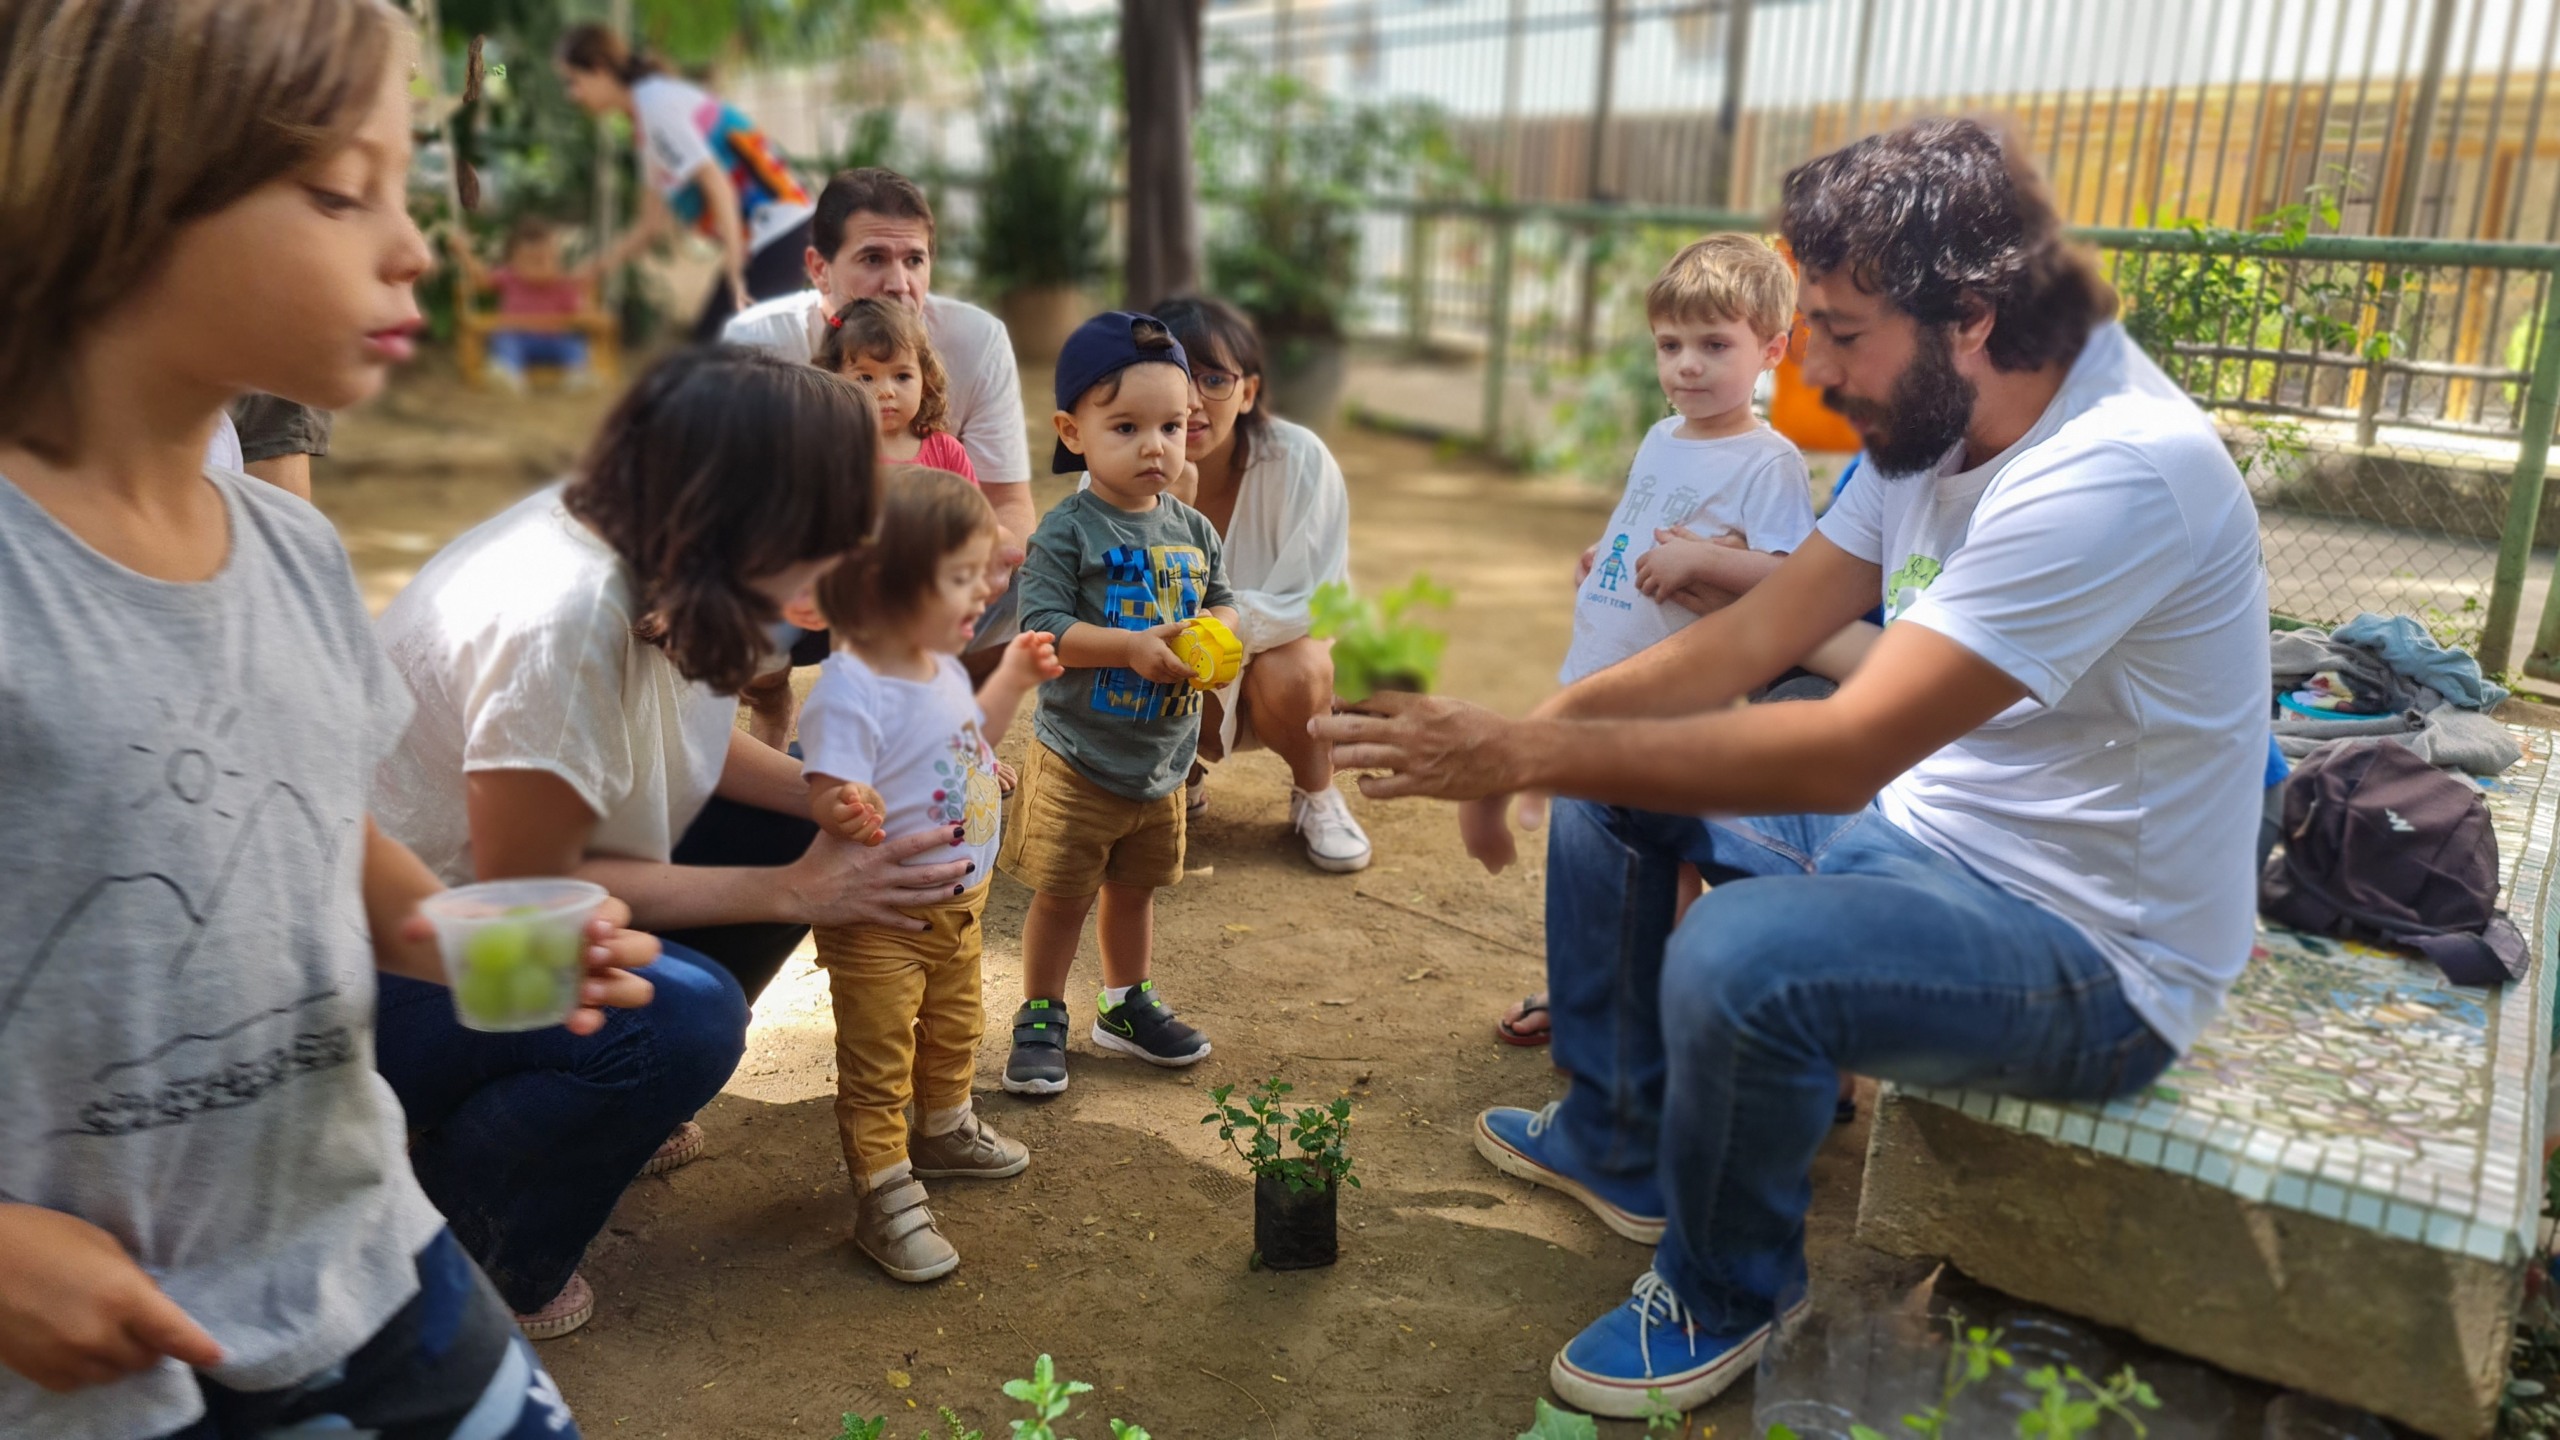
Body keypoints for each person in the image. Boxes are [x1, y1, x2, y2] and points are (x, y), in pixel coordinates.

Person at [1312, 118, 2267, 1416]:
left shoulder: (2117, 472)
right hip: (1931, 837)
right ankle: (1619, 1136)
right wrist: (1544, 737)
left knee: (1739, 956)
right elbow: (1767, 631)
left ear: (1971, 315)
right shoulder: (1934, 413)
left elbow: (1848, 744)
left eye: (1840, 326)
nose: (1809, 360)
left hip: (2093, 953)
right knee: (1618, 784)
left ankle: (1725, 1287)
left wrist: (1519, 743)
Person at [0, 2, 659, 1433]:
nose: (416, 246)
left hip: (368, 1257)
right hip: (96, 1368)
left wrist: (444, 930)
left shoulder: (291, 550)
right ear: (123, 200)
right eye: (341, 193)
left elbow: (294, 813)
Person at [370, 347, 965, 1338]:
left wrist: (823, 798)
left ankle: (577, 1109)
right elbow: (532, 901)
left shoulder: (666, 544)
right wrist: (792, 893)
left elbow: (677, 742)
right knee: (681, 1024)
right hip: (395, 955)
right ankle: (465, 1237)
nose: (857, 537)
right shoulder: (557, 622)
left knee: (796, 811)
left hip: (486, 892)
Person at [790, 467, 1061, 1282]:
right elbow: (824, 787)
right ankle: (884, 1197)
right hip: (881, 920)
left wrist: (1008, 679)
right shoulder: (851, 688)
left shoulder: (938, 663)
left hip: (961, 904)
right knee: (877, 1065)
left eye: (982, 574)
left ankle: (943, 1128)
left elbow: (970, 738)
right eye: (959, 578)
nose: (984, 591)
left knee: (954, 1028)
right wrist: (846, 804)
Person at [1000, 313, 1238, 1096]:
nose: (1155, 447)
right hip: (1080, 758)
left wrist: (1215, 635)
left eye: (1172, 426)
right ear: (1073, 431)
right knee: (1064, 895)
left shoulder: (1195, 530)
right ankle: (1040, 1010)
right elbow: (1043, 629)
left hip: (1162, 761)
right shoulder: (1066, 530)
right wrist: (1129, 647)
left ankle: (1124, 1004)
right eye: (1127, 426)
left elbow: (1225, 602)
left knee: (1135, 893)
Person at [724, 169, 1036, 662]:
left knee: (1032, 578)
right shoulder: (756, 344)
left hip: (927, 580)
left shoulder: (978, 340)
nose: (898, 283)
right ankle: (766, 696)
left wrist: (990, 556)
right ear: (818, 267)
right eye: (873, 259)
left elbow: (1006, 500)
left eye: (915, 260)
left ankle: (947, 718)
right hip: (798, 577)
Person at [1146, 296, 1372, 874]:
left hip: (1274, 672)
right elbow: (1099, 596)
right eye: (1175, 374)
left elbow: (1318, 602)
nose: (1193, 400)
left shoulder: (1300, 460)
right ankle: (1174, 776)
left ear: (1248, 392)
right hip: (1166, 665)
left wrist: (1221, 625)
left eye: (1214, 379)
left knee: (1297, 668)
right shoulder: (1118, 462)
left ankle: (1316, 793)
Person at [555, 24, 814, 342]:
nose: (572, 95)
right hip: (770, 240)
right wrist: (595, 270)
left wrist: (734, 266)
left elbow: (716, 181)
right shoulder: (646, 116)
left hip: (777, 235)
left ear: (598, 68)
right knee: (714, 356)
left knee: (721, 359)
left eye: (573, 81)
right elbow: (649, 225)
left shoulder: (654, 105)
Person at [816, 296, 976, 480]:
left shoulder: (948, 452)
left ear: (926, 381)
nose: (886, 391)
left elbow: (971, 509)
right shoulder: (834, 454)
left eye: (902, 377)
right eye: (866, 378)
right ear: (835, 384)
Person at [446, 215, 599, 393]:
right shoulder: (509, 277)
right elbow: (481, 279)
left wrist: (586, 293)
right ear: (511, 261)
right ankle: (506, 374)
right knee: (504, 341)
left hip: (554, 339)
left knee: (574, 345)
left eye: (548, 259)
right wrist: (463, 253)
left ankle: (578, 376)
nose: (542, 267)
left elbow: (583, 314)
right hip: (518, 337)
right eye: (532, 261)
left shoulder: (563, 285)